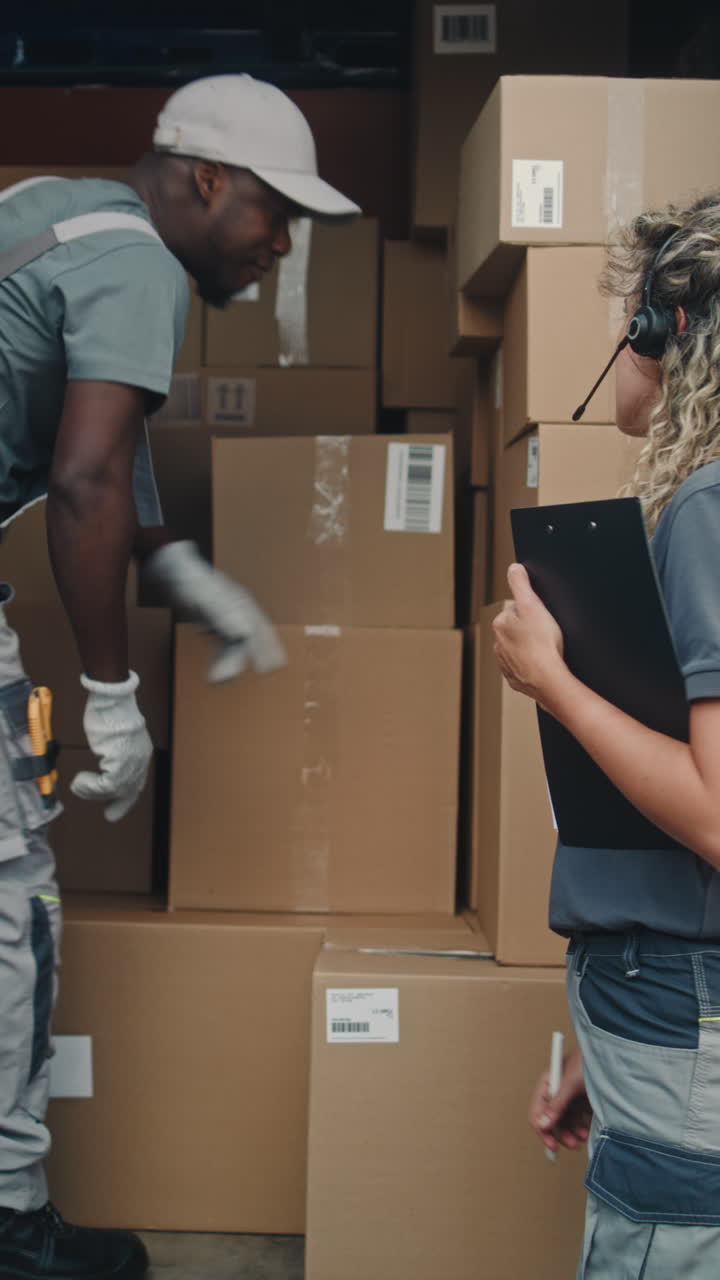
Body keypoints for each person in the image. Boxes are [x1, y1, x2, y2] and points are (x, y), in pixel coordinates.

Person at [0, 74, 359, 1279]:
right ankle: (9, 1220)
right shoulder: (145, 269)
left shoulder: (64, 210)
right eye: (273, 211)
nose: (280, 244)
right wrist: (112, 694)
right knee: (11, 902)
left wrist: (186, 577)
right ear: (205, 180)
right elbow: (87, 479)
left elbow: (98, 460)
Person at [493, 192, 720, 1278]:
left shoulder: (708, 512)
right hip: (678, 1011)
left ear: (663, 328)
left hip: (685, 997)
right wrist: (623, 1052)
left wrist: (555, 682)